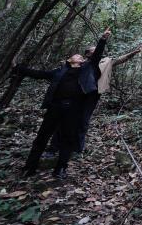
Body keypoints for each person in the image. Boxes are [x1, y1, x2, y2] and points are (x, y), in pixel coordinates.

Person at [13, 27, 111, 179]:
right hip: (55, 107)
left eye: (80, 56)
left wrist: (103, 39)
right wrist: (20, 69)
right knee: (41, 137)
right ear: (69, 60)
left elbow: (96, 54)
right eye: (76, 55)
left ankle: (60, 169)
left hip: (74, 109)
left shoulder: (88, 68)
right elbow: (40, 74)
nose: (79, 56)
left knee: (68, 139)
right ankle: (30, 167)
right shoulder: (59, 71)